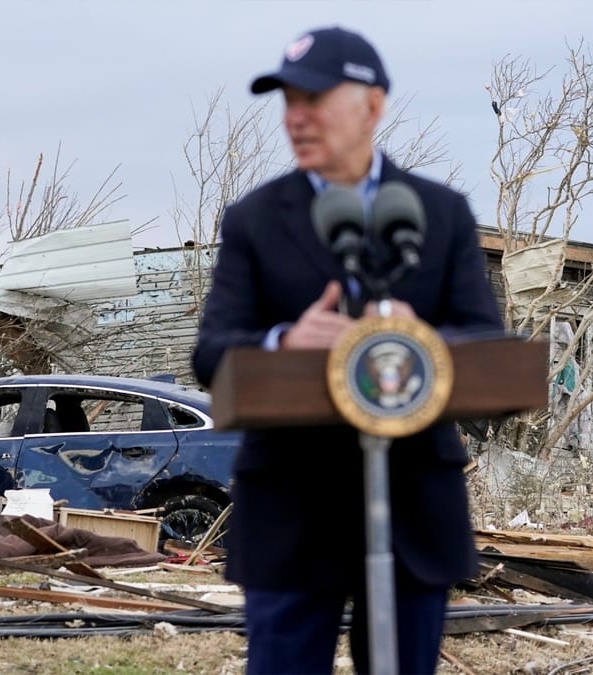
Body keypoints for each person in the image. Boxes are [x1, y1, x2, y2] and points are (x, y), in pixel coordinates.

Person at [191, 25, 503, 675]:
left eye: (314, 99)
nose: (296, 118)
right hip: (291, 510)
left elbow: (485, 341)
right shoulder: (253, 219)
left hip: (413, 505)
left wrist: (418, 338)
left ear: (372, 105)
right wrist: (285, 342)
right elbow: (212, 352)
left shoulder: (440, 213)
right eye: (288, 102)